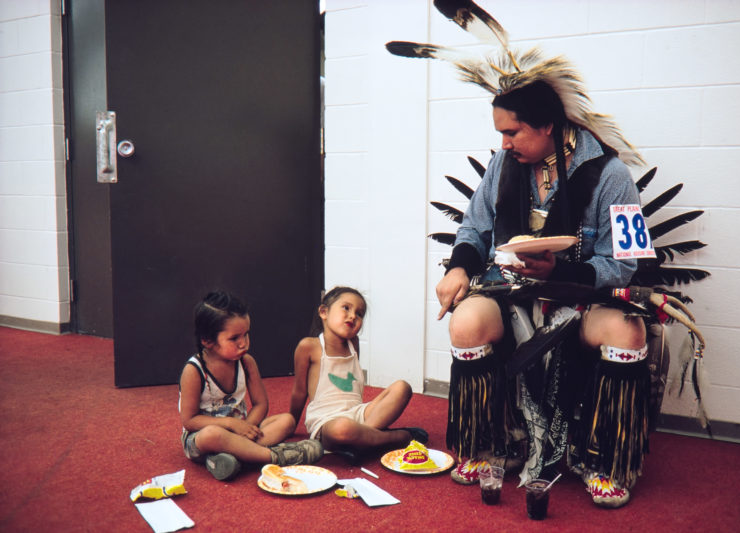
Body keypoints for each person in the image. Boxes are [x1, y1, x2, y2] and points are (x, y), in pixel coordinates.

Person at [435, 80, 648, 507]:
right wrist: (459, 267)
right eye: (500, 133)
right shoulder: (502, 166)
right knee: (465, 322)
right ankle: (492, 443)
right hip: (509, 294)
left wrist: (563, 270)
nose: (504, 143)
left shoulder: (612, 175)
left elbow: (627, 263)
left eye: (512, 133)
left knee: (629, 334)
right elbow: (474, 228)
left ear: (547, 125)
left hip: (580, 300)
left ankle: (603, 459)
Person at [179, 291, 323, 481]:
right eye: (234, 338)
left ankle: (233, 460)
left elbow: (261, 404)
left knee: (287, 420)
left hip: (244, 430)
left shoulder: (246, 362)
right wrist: (232, 424)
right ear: (207, 341)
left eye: (246, 334)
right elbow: (189, 420)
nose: (243, 343)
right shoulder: (194, 370)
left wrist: (246, 427)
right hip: (203, 437)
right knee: (212, 435)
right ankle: (273, 457)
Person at [290, 286, 427, 462]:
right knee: (343, 429)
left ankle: (361, 441)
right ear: (324, 312)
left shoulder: (353, 343)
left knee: (402, 387)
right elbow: (299, 391)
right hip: (327, 421)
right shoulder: (309, 346)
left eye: (360, 313)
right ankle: (397, 438)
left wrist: (363, 419)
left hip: (358, 413)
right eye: (346, 308)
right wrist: (292, 422)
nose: (353, 315)